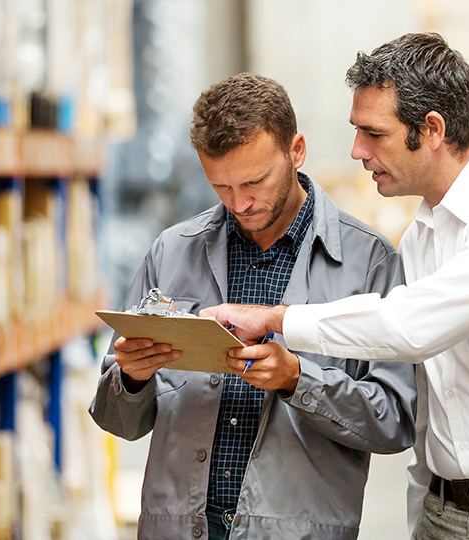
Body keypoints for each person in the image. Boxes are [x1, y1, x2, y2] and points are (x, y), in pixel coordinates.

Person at [201, 34, 469, 539]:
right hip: (447, 511)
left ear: (431, 130)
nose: (357, 150)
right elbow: (433, 410)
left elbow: (416, 325)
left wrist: (277, 319)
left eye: (373, 133)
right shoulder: (421, 238)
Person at [89, 73, 416, 540]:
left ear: (296, 151)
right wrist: (132, 378)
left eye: (254, 181)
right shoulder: (171, 252)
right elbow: (114, 419)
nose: (239, 203)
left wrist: (299, 380)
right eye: (220, 187)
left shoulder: (370, 265)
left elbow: (396, 420)